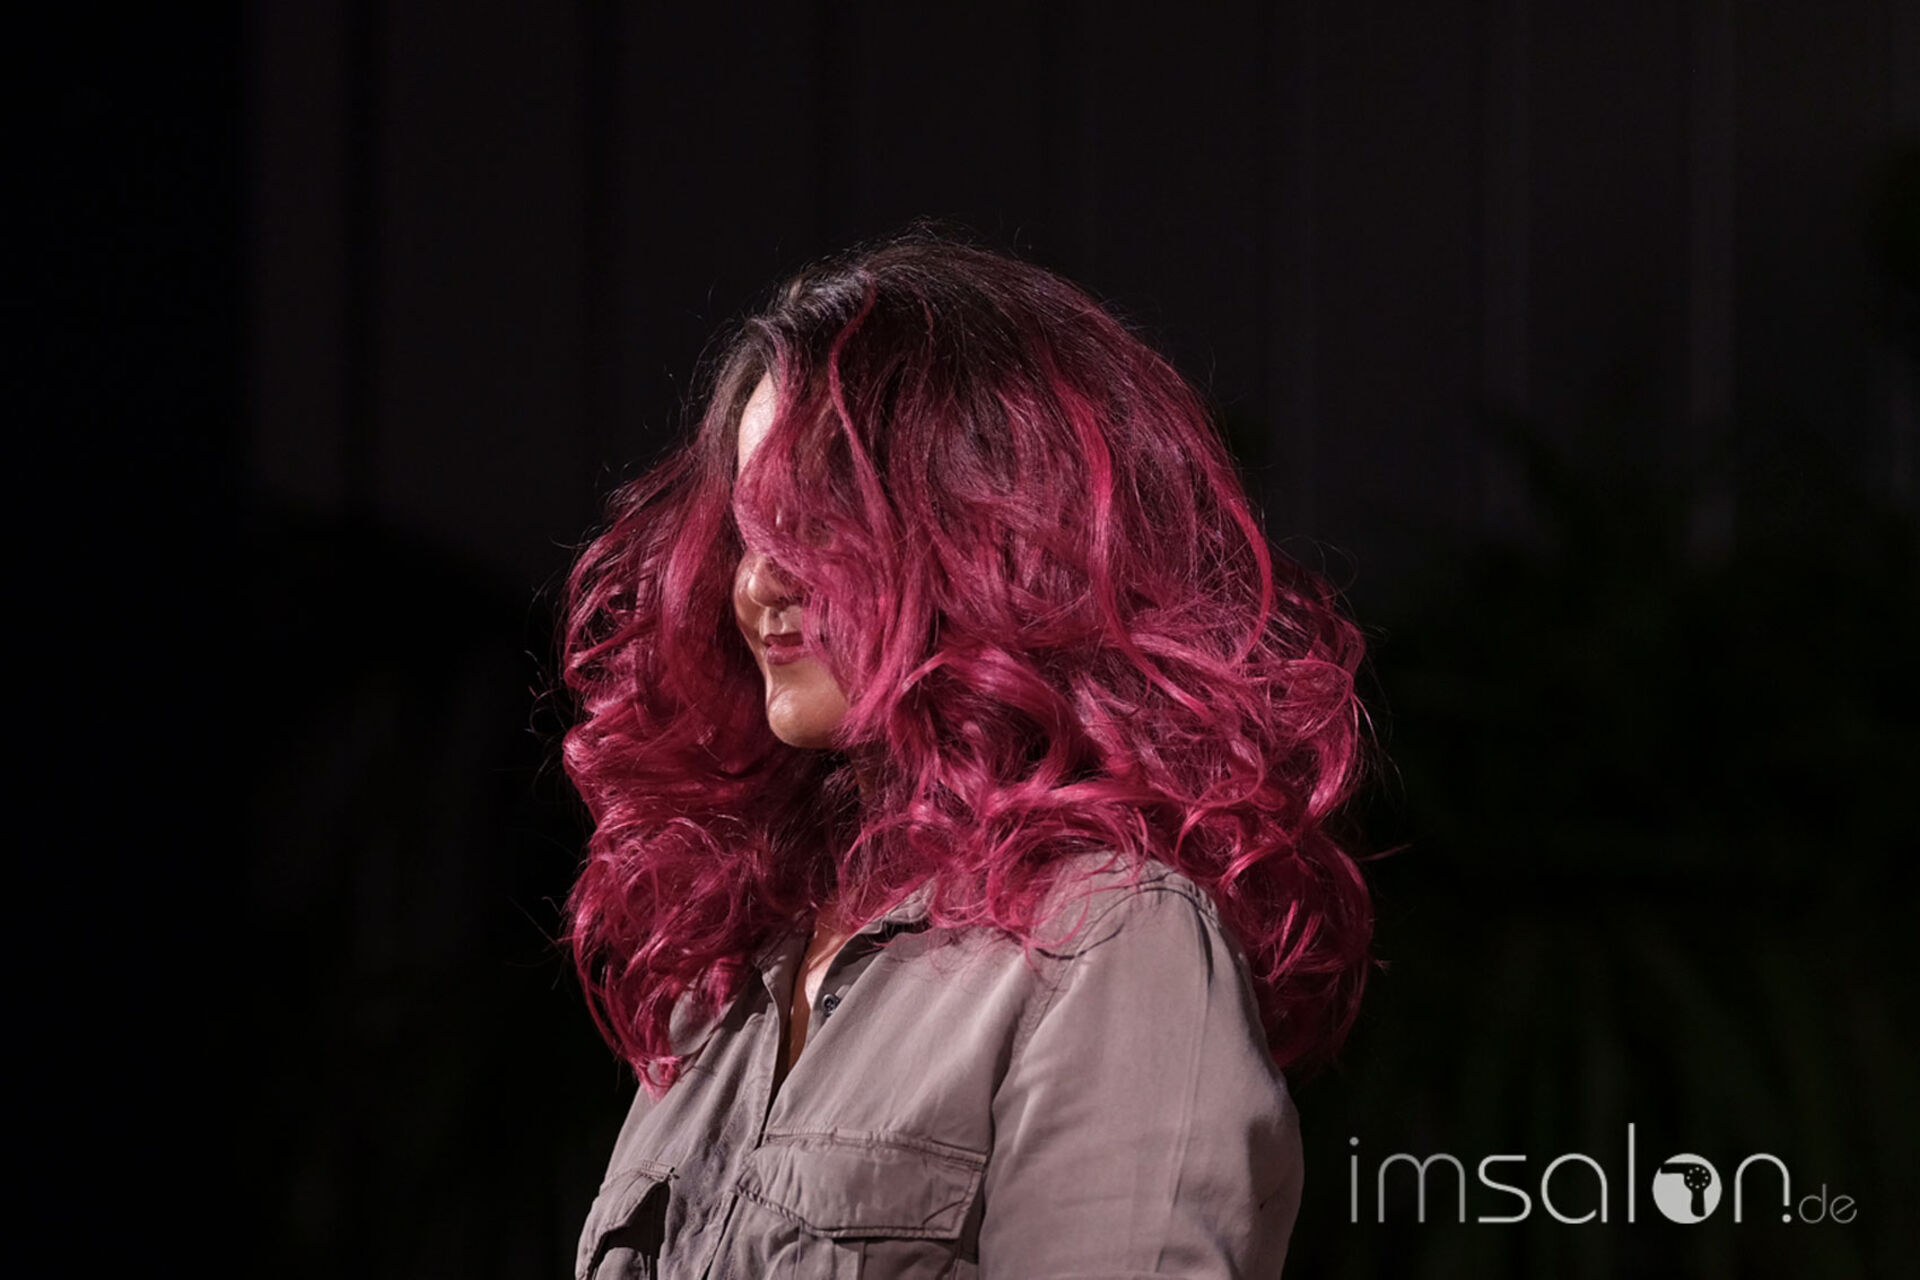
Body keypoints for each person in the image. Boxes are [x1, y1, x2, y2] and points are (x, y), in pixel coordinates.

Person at [561, 230, 1374, 1278]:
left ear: (995, 540)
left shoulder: (1113, 941)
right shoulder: (732, 970)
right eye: (749, 529)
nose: (760, 583)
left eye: (819, 522)